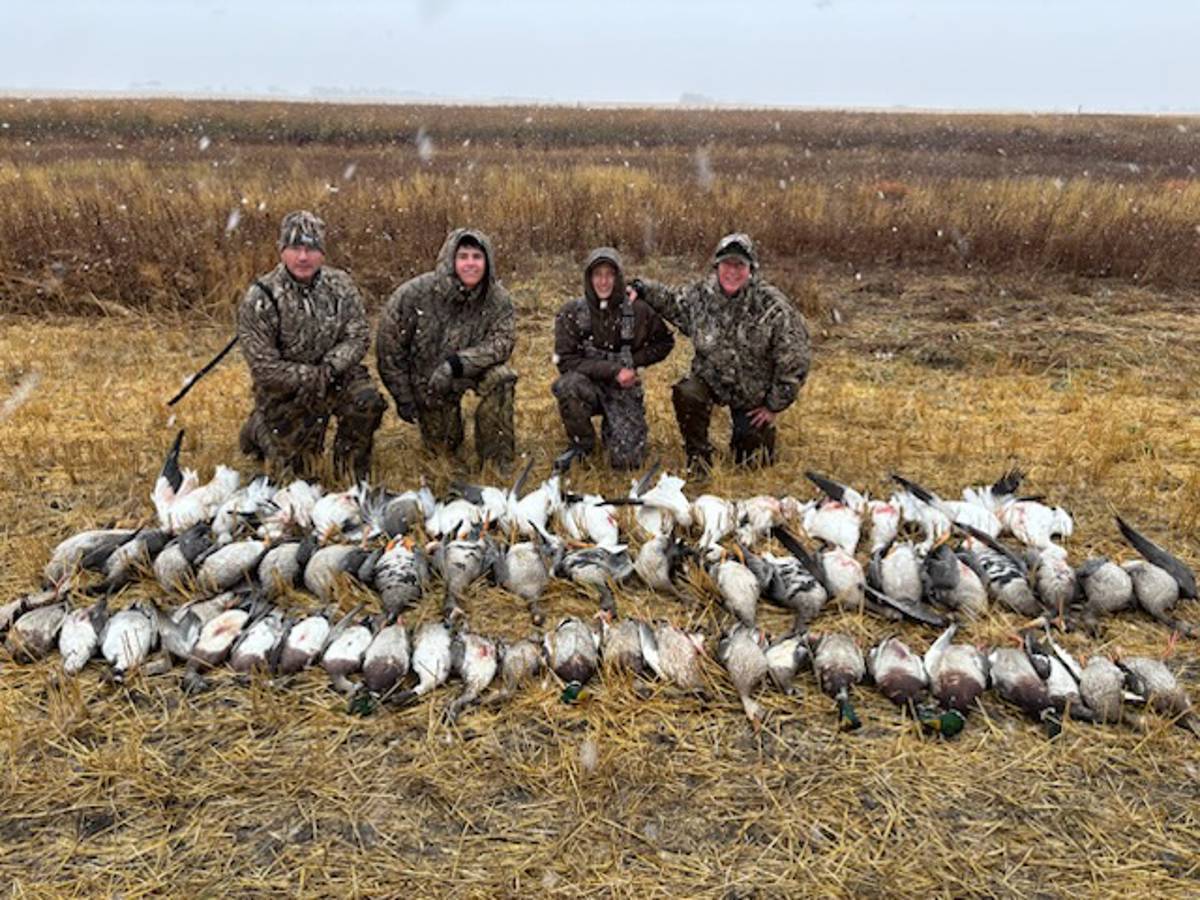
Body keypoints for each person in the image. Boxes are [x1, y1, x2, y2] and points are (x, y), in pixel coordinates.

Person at [630, 233, 811, 470]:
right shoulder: (700, 296)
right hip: (711, 380)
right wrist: (640, 288)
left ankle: (751, 437)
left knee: (752, 464)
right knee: (687, 392)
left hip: (752, 394)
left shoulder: (773, 307)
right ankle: (698, 455)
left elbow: (796, 359)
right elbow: (671, 300)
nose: (732, 272)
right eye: (727, 264)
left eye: (740, 265)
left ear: (751, 269)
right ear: (717, 266)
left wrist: (773, 405)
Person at [237, 210, 386, 481]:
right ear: (282, 251)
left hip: (335, 375)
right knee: (298, 472)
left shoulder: (340, 285)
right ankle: (258, 428)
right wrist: (310, 377)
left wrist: (331, 367)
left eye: (311, 249)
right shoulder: (261, 297)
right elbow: (264, 367)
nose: (303, 257)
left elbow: (359, 335)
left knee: (367, 401)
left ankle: (349, 469)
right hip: (287, 388)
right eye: (295, 248)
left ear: (322, 254)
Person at [377, 228, 516, 470]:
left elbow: (502, 342)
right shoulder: (413, 294)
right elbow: (389, 351)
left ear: (488, 262)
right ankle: (446, 445)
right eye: (463, 256)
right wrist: (404, 397)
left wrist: (456, 364)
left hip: (471, 371)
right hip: (430, 382)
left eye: (477, 257)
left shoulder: (498, 298)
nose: (470, 263)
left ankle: (496, 459)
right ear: (450, 260)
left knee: (501, 378)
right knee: (444, 449)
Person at [551, 247, 674, 471]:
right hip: (588, 386)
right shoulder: (571, 313)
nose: (603, 281)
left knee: (627, 463)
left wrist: (633, 362)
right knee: (567, 386)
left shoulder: (637, 310)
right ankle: (582, 444)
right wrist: (614, 370)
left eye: (610, 274)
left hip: (624, 389)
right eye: (597, 275)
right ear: (589, 278)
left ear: (618, 278)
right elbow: (565, 360)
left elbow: (665, 343)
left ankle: (616, 434)